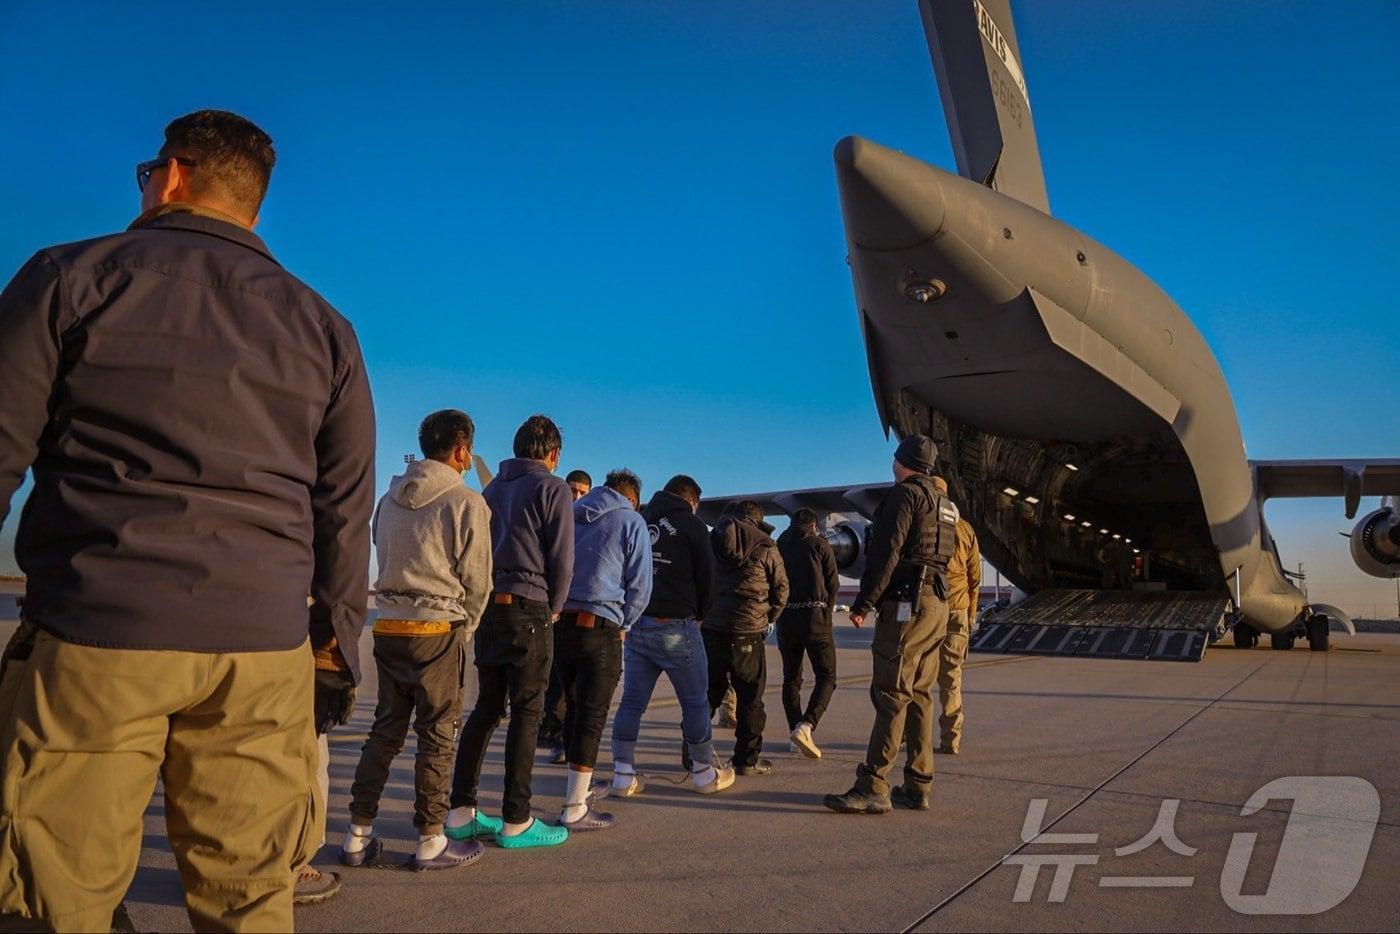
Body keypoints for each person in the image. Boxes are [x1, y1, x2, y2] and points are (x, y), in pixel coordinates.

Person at [0, 110, 375, 930]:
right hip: (263, 649)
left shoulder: (70, 276)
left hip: (102, 629)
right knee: (248, 897)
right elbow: (344, 511)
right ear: (254, 205)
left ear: (171, 174)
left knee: (56, 889)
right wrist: (336, 646)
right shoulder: (325, 328)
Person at [339, 410, 492, 871]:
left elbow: (379, 551)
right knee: (438, 734)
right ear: (462, 450)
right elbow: (478, 579)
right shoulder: (467, 502)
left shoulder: (388, 500)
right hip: (436, 630)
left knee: (385, 731)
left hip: (388, 627)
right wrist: (466, 627)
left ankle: (356, 834)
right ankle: (430, 838)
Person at [445, 415, 573, 849]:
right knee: (528, 713)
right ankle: (516, 818)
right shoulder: (552, 488)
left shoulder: (492, 489)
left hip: (491, 607)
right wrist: (554, 609)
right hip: (529, 604)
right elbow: (562, 558)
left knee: (486, 709)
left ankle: (461, 810)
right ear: (552, 455)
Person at [824, 435, 958, 815]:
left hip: (907, 605)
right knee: (919, 694)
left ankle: (873, 784)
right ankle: (918, 783)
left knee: (890, 693)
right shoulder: (945, 504)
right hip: (937, 604)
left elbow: (885, 554)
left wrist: (864, 603)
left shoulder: (904, 496)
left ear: (902, 462)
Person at [610, 475, 733, 797]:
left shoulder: (639, 520)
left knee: (632, 702)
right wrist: (702, 614)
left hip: (639, 624)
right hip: (678, 626)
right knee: (694, 702)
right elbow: (708, 576)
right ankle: (704, 773)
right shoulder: (692, 526)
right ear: (692, 501)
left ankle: (623, 773)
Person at [553, 469, 652, 830]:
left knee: (574, 708)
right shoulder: (631, 520)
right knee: (592, 716)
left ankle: (577, 786)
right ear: (632, 499)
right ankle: (575, 806)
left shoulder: (569, 514)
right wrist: (624, 623)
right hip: (601, 624)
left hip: (562, 624)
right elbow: (640, 585)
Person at [703, 501, 789, 776]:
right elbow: (781, 591)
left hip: (713, 630)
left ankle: (694, 755)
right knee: (751, 699)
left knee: (706, 697)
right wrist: (768, 619)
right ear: (758, 520)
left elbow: (698, 582)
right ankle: (746, 760)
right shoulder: (767, 547)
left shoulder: (710, 542)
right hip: (749, 634)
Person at [776, 508, 840, 759]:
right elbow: (833, 583)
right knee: (827, 676)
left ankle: (794, 729)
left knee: (791, 678)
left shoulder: (779, 545)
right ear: (813, 525)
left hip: (787, 619)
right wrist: (828, 611)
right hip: (815, 618)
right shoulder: (819, 544)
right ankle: (806, 725)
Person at [538, 468, 593, 762]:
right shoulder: (553, 520)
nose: (577, 497)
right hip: (553, 611)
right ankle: (555, 735)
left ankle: (566, 740)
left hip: (580, 613)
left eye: (583, 492)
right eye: (573, 490)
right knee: (554, 681)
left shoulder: (592, 525)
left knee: (575, 685)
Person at [932, 477, 980, 755]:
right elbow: (975, 577)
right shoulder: (966, 529)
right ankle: (951, 739)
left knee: (915, 676)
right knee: (951, 678)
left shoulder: (926, 523)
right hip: (958, 611)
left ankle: (907, 735)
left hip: (930, 609)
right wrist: (972, 614)